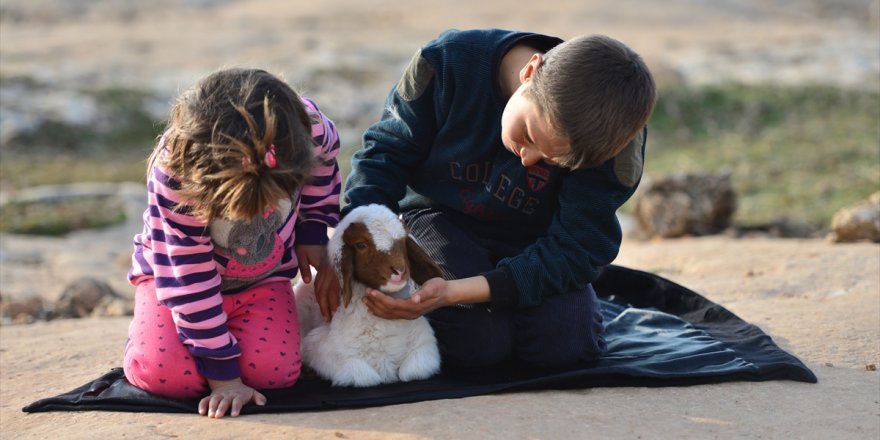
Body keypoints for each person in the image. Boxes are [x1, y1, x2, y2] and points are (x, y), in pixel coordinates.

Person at [338, 29, 656, 370]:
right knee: (480, 346)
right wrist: (360, 247)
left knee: (567, 348)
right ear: (531, 70)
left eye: (553, 162)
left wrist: (459, 292)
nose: (527, 159)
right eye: (529, 135)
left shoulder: (612, 141)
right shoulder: (447, 63)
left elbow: (578, 248)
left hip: (539, 242)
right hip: (438, 217)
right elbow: (383, 158)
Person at [123, 68, 342, 418]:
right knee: (168, 377)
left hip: (262, 278)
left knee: (274, 375)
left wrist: (312, 232)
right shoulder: (177, 171)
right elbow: (188, 276)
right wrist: (224, 380)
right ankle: (149, 332)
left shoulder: (311, 128)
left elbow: (325, 167)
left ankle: (207, 344)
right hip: (180, 282)